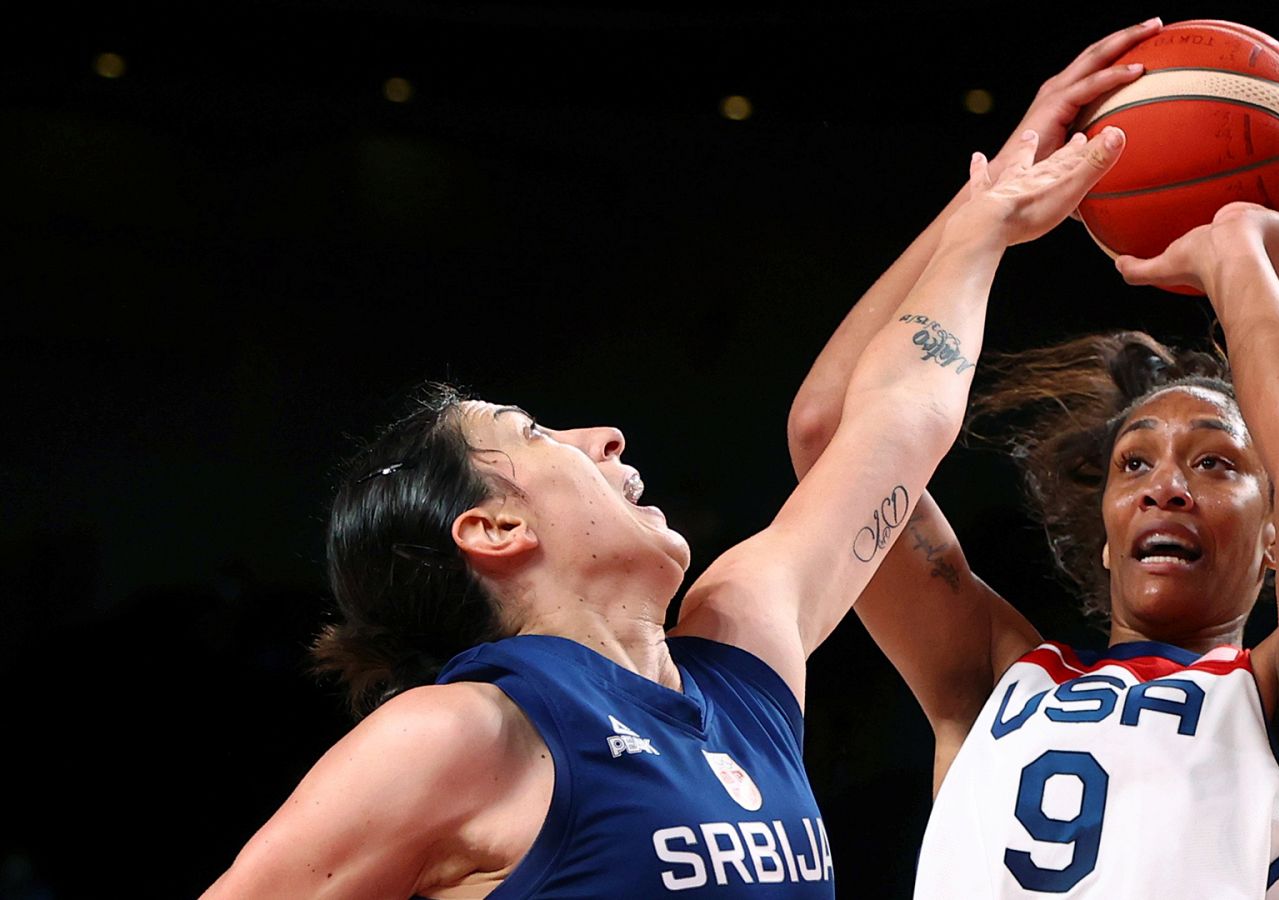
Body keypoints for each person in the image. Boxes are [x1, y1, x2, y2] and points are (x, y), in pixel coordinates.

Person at [200, 98, 1132, 896]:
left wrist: (984, 219)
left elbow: (898, 422)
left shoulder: (739, 647)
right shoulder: (462, 731)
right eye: (534, 434)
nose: (603, 437)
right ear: (492, 528)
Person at [786, 19, 1279, 898]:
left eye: (1218, 463)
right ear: (1107, 536)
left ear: (1277, 538)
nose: (1168, 489)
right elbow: (830, 433)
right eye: (1135, 465)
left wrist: (1235, 257)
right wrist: (990, 206)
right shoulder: (994, 680)